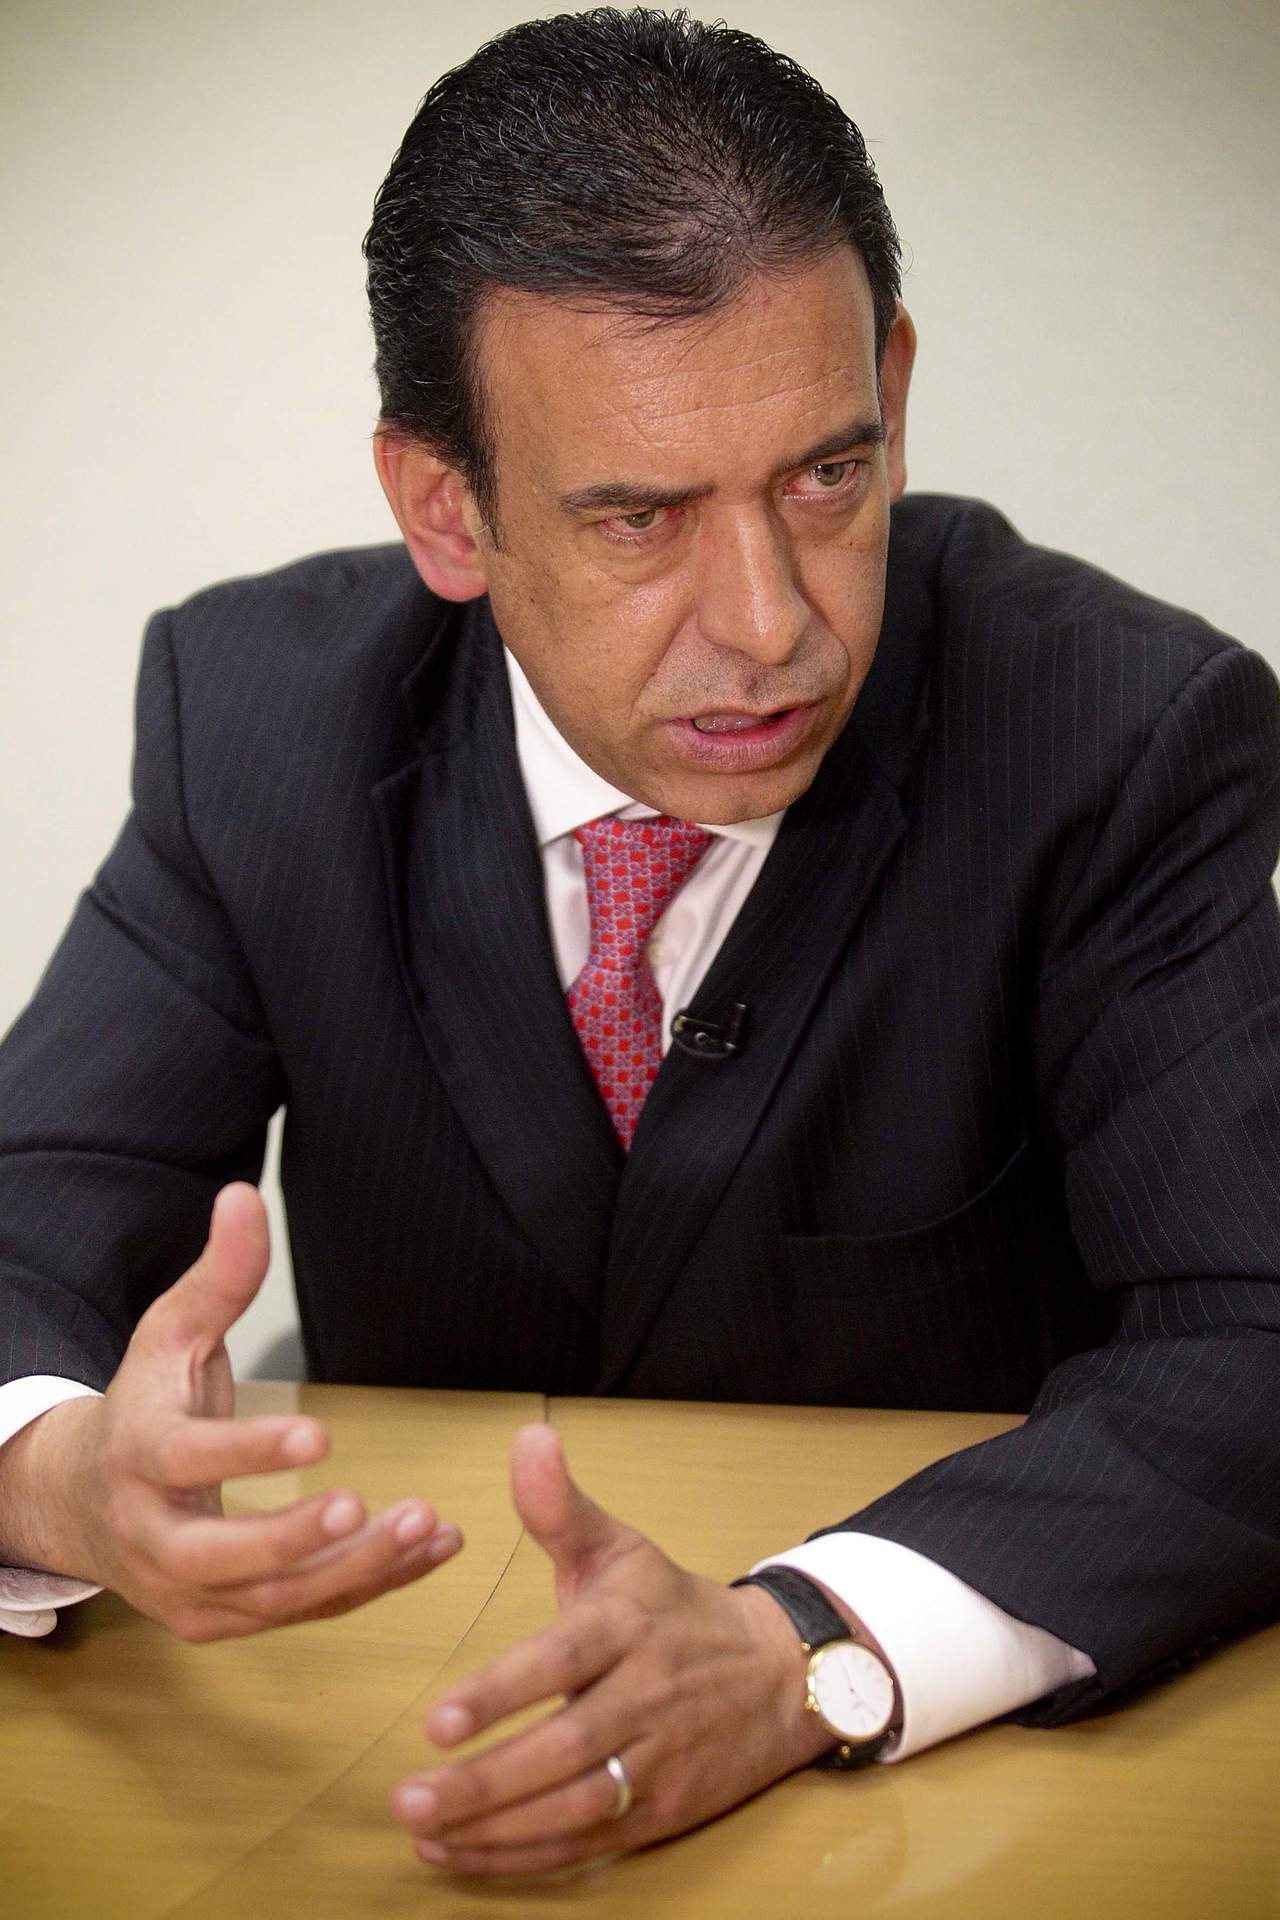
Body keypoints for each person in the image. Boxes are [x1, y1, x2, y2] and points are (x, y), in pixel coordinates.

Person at [1, 3, 1278, 1880]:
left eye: (827, 475)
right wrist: (53, 1479)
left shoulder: (1122, 733)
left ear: (894, 385)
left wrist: (811, 1650)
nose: (768, 623)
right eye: (637, 516)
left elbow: (1255, 1337)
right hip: (388, 1711)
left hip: (947, 1814)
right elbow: (27, 1213)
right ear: (446, 508)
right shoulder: (256, 720)